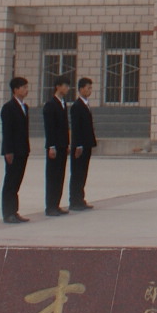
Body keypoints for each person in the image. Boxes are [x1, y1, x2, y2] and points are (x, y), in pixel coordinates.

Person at [0, 75, 31, 224]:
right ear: (15, 90)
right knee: (10, 182)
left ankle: (14, 211)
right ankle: (8, 213)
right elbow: (7, 131)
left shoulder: (24, 107)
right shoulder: (8, 108)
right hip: (13, 151)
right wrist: (8, 151)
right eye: (24, 87)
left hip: (23, 150)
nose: (26, 90)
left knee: (17, 181)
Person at [42, 76, 72, 217]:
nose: (67, 89)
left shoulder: (63, 104)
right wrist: (51, 146)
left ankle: (56, 204)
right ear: (58, 87)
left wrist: (67, 144)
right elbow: (49, 128)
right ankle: (50, 206)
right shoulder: (50, 105)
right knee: (52, 176)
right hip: (54, 146)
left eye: (68, 86)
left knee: (60, 176)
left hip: (62, 145)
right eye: (65, 86)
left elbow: (65, 127)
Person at [68, 75, 97, 211]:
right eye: (88, 88)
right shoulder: (77, 106)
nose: (90, 90)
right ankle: (74, 200)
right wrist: (78, 144)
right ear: (80, 89)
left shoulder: (86, 104)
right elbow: (76, 127)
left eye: (91, 88)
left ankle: (80, 198)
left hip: (87, 144)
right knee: (77, 173)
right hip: (79, 145)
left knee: (83, 173)